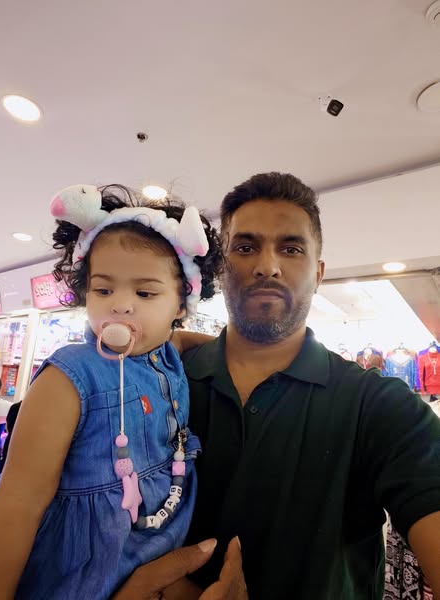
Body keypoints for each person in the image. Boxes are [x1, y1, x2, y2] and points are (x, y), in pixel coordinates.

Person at [119, 172, 439, 599]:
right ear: (220, 267)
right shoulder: (156, 384)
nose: (267, 266)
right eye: (245, 247)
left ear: (318, 273)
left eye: (291, 249)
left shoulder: (378, 406)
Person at [0, 183, 225, 599]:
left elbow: (182, 341)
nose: (120, 304)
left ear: (181, 304)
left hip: (144, 558)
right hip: (73, 576)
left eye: (145, 292)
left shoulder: (165, 353)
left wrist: (239, 350)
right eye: (103, 289)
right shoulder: (69, 377)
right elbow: (18, 503)